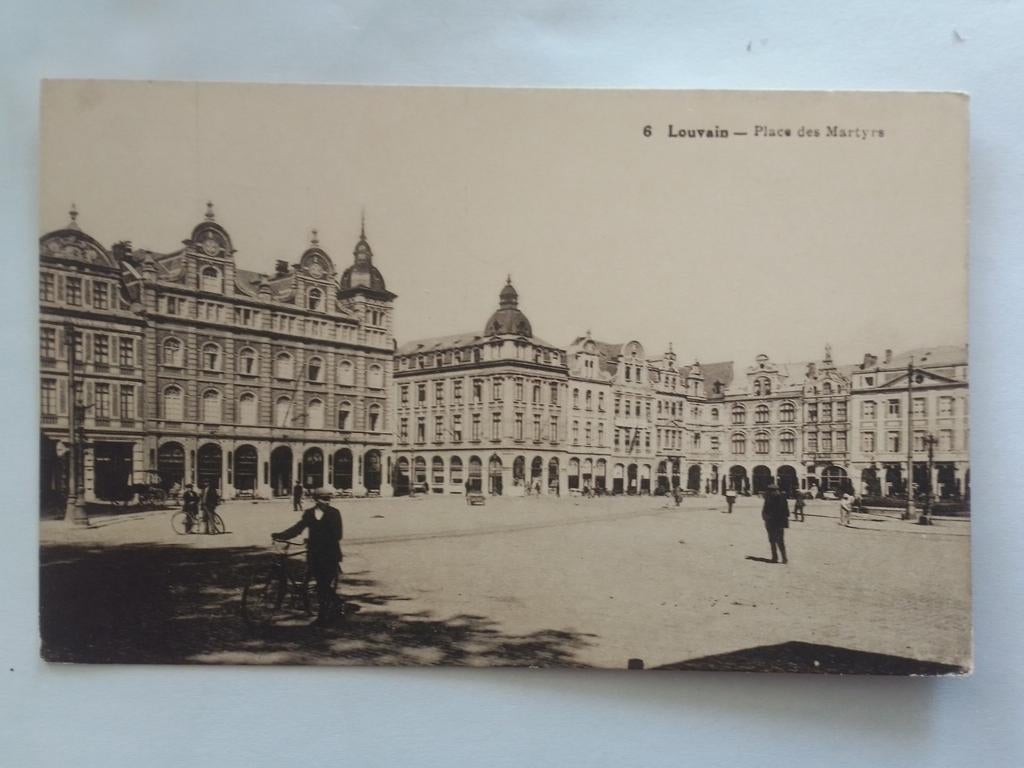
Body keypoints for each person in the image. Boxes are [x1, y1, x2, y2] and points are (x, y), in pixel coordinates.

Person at [273, 490, 343, 627]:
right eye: (324, 498)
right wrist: (282, 535)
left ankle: (324, 616)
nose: (327, 501)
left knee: (323, 585)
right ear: (316, 499)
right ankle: (336, 603)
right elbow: (298, 528)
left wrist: (315, 540)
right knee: (321, 585)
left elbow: (337, 535)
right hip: (314, 554)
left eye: (329, 498)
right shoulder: (309, 513)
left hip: (330, 554)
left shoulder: (334, 513)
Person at [760, 484, 790, 564]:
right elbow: (787, 512)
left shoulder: (771, 498)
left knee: (774, 540)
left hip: (773, 522)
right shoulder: (782, 498)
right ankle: (782, 558)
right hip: (776, 522)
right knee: (777, 540)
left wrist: (767, 517)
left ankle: (776, 557)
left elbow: (784, 512)